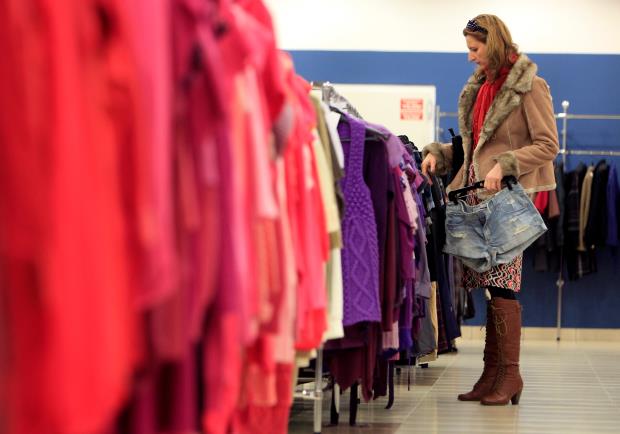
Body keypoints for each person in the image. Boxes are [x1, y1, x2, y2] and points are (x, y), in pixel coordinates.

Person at [421, 14, 559, 406]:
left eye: (474, 49)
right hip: (477, 203)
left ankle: (510, 375)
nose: (470, 58)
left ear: (493, 44)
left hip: (509, 203)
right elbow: (473, 149)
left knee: (503, 286)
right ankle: (491, 374)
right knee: (490, 288)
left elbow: (548, 144)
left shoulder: (528, 85)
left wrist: (508, 164)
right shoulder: (482, 89)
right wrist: (439, 156)